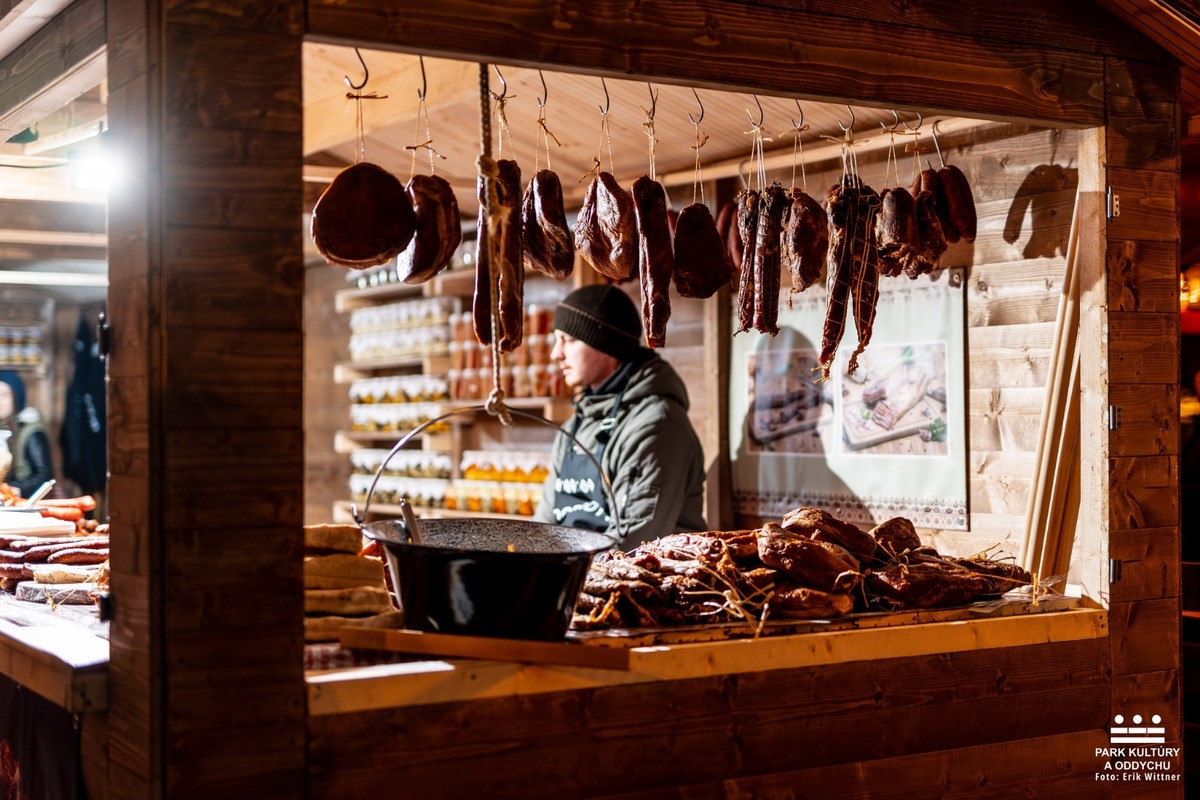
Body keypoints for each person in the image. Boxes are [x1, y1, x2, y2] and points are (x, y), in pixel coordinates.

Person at [533, 284, 707, 548]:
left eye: (568, 340)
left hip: (649, 584)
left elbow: (632, 542)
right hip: (578, 579)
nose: (556, 353)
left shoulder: (656, 425)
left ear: (604, 344)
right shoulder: (576, 426)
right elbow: (543, 530)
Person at [0, 370, 54, 499]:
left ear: (16, 397)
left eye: (4, 395)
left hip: (24, 503)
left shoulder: (31, 431)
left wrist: (17, 489)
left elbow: (44, 474)